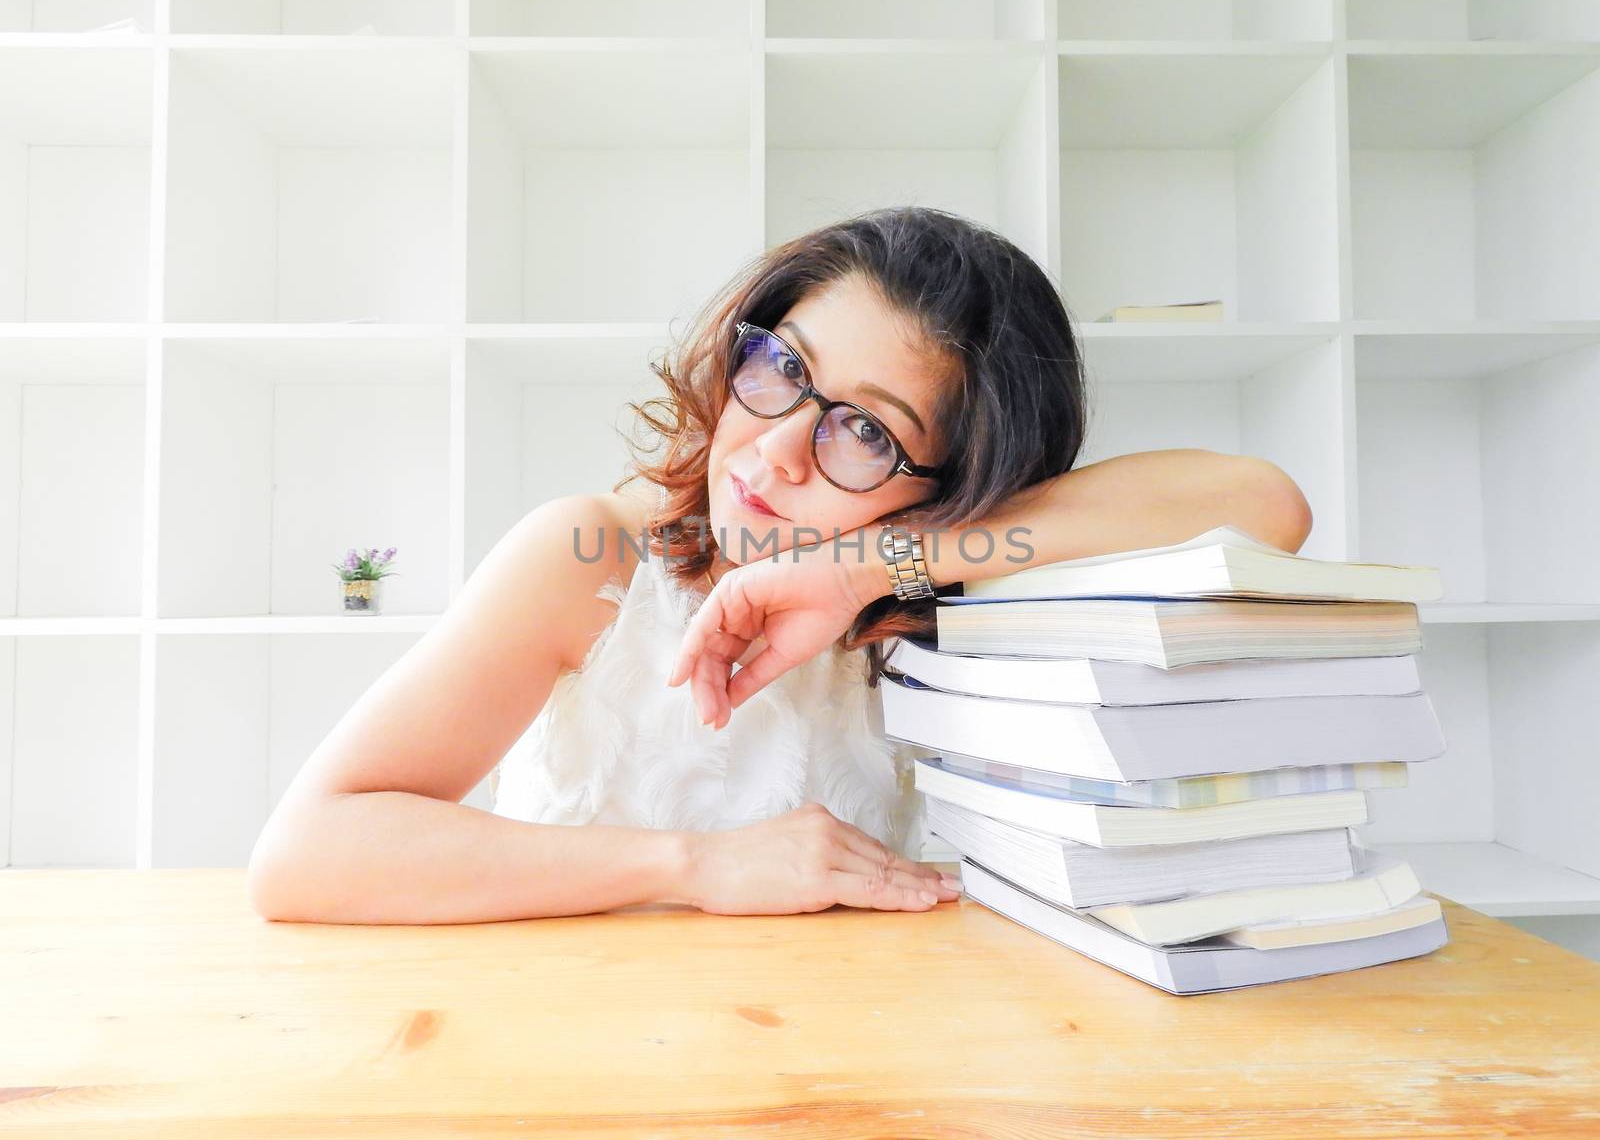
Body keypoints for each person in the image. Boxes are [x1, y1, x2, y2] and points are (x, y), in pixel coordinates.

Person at [247, 205, 1311, 925]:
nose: (776, 448)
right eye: (784, 368)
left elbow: (1266, 506)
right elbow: (307, 854)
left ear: (957, 485)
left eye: (867, 432)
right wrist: (694, 867)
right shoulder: (592, 558)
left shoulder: (941, 578)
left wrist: (864, 571)